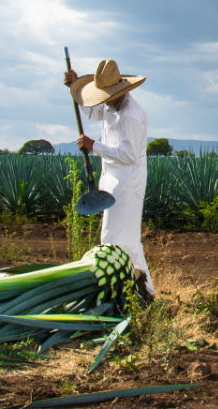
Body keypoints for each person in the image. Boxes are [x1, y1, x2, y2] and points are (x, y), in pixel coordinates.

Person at [64, 59, 154, 299]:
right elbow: (93, 112)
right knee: (125, 240)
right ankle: (144, 293)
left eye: (107, 96)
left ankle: (131, 293)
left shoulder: (131, 115)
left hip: (127, 183)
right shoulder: (111, 105)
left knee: (116, 239)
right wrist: (75, 88)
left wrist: (94, 146)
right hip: (113, 180)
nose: (104, 101)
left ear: (119, 91)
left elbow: (129, 155)